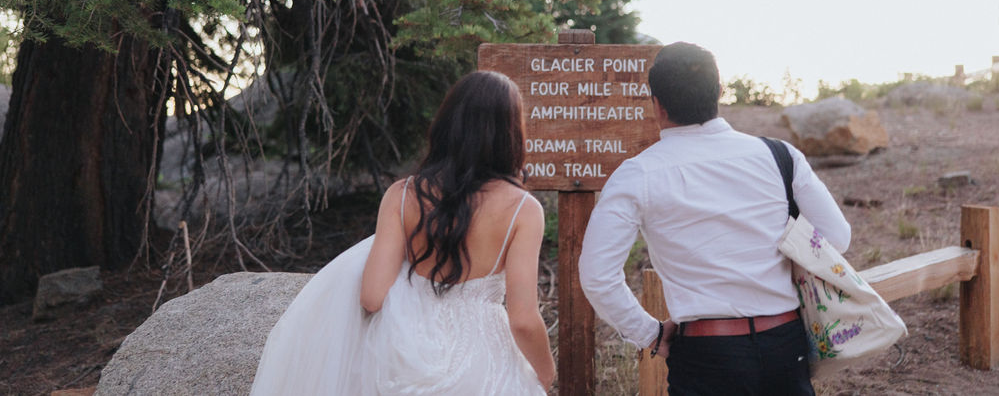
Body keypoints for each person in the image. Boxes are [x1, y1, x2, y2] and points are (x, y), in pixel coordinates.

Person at [251, 70, 555, 395]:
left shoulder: (403, 194)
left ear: (448, 124)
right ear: (510, 132)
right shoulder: (524, 210)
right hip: (484, 364)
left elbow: (371, 297)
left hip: (403, 352)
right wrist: (547, 374)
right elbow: (522, 319)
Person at [578, 42, 851, 396]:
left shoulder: (637, 175)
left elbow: (598, 276)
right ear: (720, 93)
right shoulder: (780, 156)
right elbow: (837, 237)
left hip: (705, 355)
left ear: (656, 104)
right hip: (785, 345)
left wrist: (651, 334)